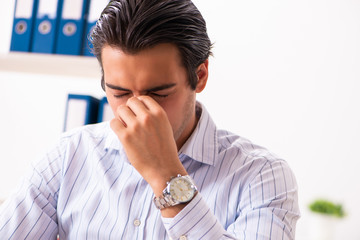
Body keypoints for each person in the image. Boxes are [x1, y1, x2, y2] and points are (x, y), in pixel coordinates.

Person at [0, 0, 300, 239]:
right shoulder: (67, 157)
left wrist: (168, 176)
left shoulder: (262, 176)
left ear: (200, 75)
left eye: (157, 94)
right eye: (119, 93)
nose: (138, 110)